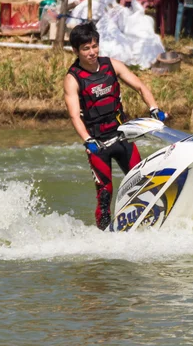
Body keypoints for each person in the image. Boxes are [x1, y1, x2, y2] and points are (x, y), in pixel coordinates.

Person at [63, 22, 168, 231]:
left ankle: (151, 222)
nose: (92, 52)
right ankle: (104, 234)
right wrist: (87, 140)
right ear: (76, 51)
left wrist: (154, 108)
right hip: (97, 145)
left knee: (141, 182)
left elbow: (139, 86)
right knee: (105, 192)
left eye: (94, 46)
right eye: (86, 48)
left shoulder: (112, 65)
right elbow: (74, 115)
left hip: (122, 137)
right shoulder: (72, 78)